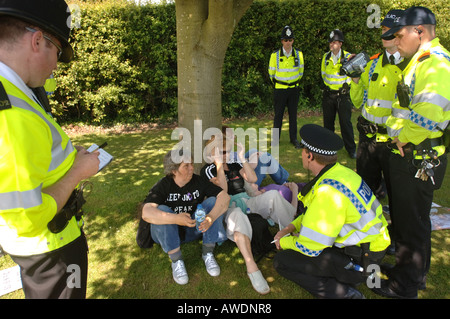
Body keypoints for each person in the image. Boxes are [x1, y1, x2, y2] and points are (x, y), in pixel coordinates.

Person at [0, 0, 100, 299]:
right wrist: (78, 172)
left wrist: (70, 157)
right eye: (57, 52)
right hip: (49, 250)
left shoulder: (14, 91)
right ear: (37, 40)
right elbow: (27, 218)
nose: (56, 65)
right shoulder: (13, 111)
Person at [372, 6, 449, 299]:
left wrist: (401, 139)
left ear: (419, 32)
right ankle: (413, 274)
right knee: (412, 219)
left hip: (416, 155)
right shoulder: (420, 62)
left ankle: (404, 287)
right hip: (414, 154)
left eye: (399, 35)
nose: (396, 40)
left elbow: (428, 115)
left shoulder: (434, 64)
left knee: (410, 221)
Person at [273, 124, 390, 299]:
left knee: (282, 261)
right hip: (372, 247)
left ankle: (345, 294)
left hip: (360, 258)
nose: (302, 154)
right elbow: (313, 213)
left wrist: (284, 242)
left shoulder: (327, 193)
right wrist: (289, 228)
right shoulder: (340, 173)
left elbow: (310, 246)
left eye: (303, 151)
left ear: (310, 155)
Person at [201, 135, 296, 294]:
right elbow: (222, 192)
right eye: (222, 151)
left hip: (246, 200)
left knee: (273, 196)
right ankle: (251, 266)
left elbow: (252, 178)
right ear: (212, 153)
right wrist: (218, 164)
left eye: (227, 150)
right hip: (228, 207)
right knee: (237, 215)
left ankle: (294, 234)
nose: (226, 154)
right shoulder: (208, 170)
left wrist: (241, 158)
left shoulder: (233, 163)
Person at [141, 149, 229, 285]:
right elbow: (146, 213)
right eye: (186, 166)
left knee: (212, 202)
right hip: (166, 233)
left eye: (191, 164)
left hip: (192, 228)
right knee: (162, 210)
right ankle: (177, 261)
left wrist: (210, 217)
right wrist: (176, 219)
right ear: (174, 170)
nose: (191, 168)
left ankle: (208, 253)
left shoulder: (198, 181)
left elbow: (224, 197)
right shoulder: (163, 185)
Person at [351, 10, 407, 200]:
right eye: (383, 28)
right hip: (368, 140)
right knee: (365, 191)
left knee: (397, 192)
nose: (385, 33)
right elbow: (357, 101)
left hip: (395, 142)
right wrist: (356, 80)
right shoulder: (372, 64)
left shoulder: (411, 66)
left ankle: (397, 228)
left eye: (390, 29)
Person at [321, 29, 357, 158]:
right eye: (330, 42)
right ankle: (329, 148)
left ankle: (351, 149)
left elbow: (354, 76)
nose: (332, 45)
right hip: (329, 95)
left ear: (340, 44)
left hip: (343, 96)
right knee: (328, 124)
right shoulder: (326, 57)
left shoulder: (348, 57)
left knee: (345, 123)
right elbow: (324, 75)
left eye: (334, 42)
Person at [268, 25, 304, 149]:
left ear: (293, 40)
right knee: (278, 115)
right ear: (282, 41)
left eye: (290, 40)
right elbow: (271, 74)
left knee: (293, 115)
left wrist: (292, 83)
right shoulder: (275, 55)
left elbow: (301, 72)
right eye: (285, 40)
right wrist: (282, 83)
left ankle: (293, 139)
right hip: (280, 89)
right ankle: (275, 141)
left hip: (294, 89)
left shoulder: (299, 54)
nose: (288, 43)